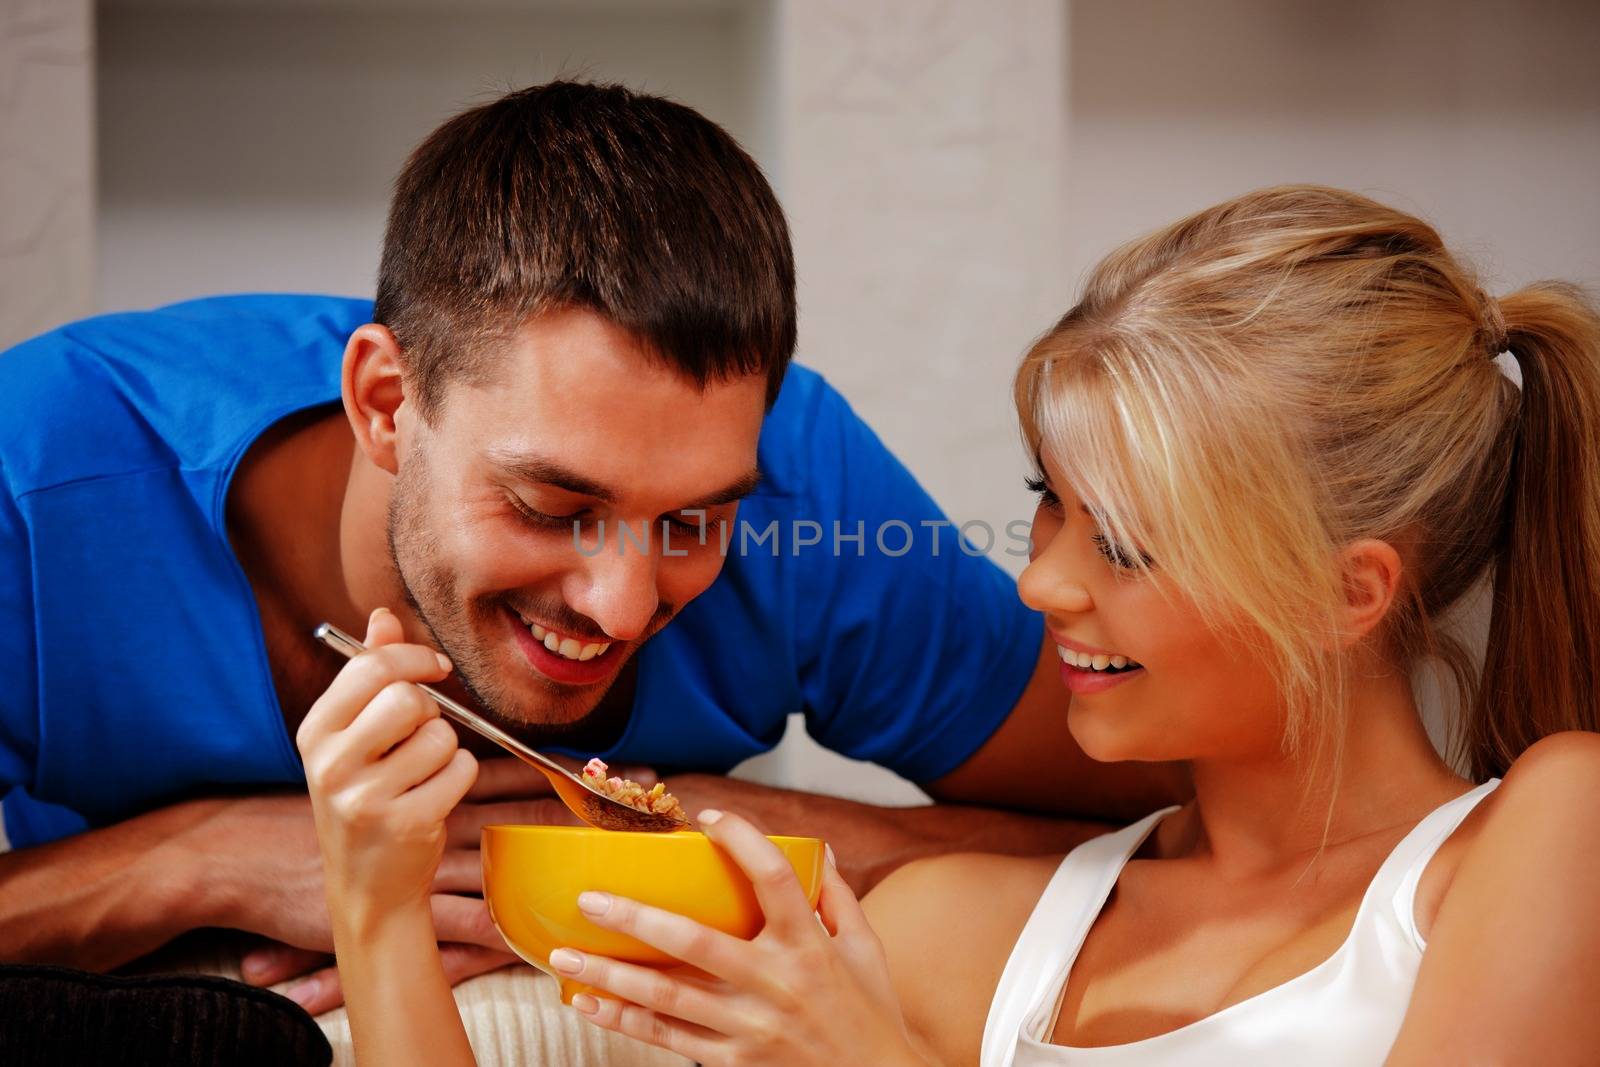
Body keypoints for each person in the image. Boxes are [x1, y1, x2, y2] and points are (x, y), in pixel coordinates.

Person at [298, 185, 1600, 1066]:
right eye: (1052, 506)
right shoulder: (948, 930)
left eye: (1129, 543)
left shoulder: (1550, 834)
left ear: (1345, 592)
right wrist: (380, 905)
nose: (1040, 586)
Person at [0, 81, 1177, 1014]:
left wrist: (757, 840)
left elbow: (1190, 819)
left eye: (693, 523)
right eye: (552, 506)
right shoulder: (32, 475)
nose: (621, 604)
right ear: (383, 403)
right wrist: (193, 858)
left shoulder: (800, 475)